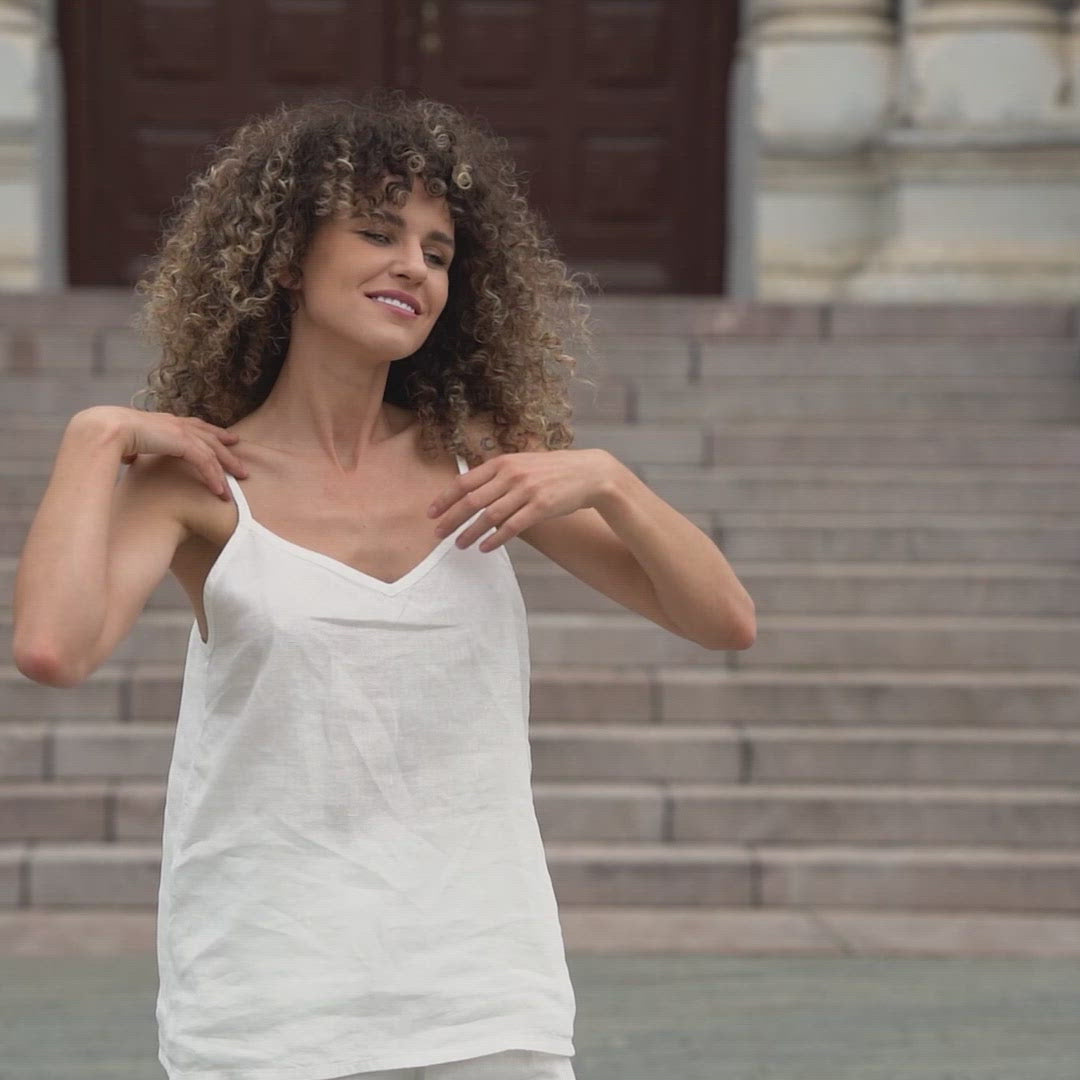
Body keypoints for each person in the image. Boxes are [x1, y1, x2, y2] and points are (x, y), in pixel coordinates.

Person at [12, 88, 755, 1080]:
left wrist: (613, 483)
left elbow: (723, 620)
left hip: (483, 992)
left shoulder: (482, 467)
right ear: (287, 257)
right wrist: (94, 436)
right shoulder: (202, 486)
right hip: (268, 1001)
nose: (413, 265)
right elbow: (52, 649)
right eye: (377, 233)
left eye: (438, 253)